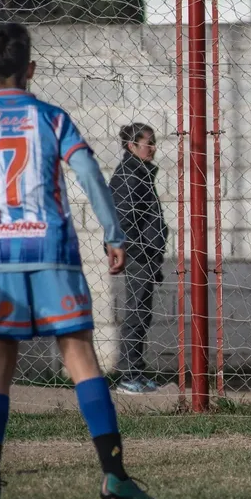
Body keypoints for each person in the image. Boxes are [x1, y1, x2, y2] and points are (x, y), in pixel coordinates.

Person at [0, 22, 158, 499]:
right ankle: (114, 475)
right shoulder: (53, 118)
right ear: (31, 69)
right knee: (80, 357)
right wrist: (114, 233)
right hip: (54, 252)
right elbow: (88, 174)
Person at [110, 123, 167, 395]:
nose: (153, 148)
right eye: (148, 143)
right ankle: (129, 375)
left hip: (144, 254)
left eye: (154, 142)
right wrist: (142, 251)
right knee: (135, 314)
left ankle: (137, 372)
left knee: (142, 314)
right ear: (132, 146)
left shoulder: (140, 172)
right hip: (137, 255)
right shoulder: (130, 175)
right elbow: (124, 219)